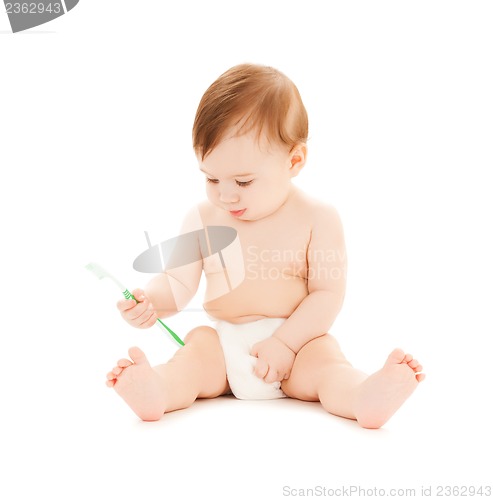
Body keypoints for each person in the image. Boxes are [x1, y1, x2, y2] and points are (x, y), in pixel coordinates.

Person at [106, 63, 425, 429]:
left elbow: (327, 294)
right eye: (211, 177)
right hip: (224, 346)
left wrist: (286, 345)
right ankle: (159, 389)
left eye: (243, 181)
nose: (225, 194)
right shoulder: (202, 218)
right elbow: (177, 282)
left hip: (297, 342)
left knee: (326, 366)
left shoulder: (317, 218)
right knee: (195, 355)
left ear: (294, 160)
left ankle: (362, 396)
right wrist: (150, 302)